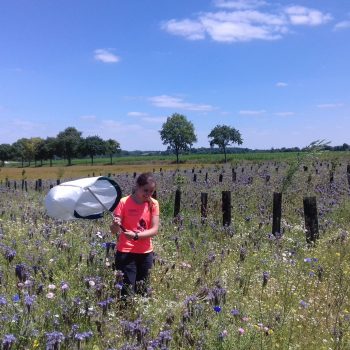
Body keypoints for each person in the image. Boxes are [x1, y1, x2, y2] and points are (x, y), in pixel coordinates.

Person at [110, 172, 159, 298]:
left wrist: (136, 235)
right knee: (126, 290)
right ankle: (125, 315)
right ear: (137, 186)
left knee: (143, 289)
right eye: (145, 190)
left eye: (151, 191)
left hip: (146, 253)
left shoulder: (154, 204)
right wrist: (115, 224)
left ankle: (139, 316)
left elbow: (154, 230)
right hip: (126, 252)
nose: (148, 194)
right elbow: (114, 231)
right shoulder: (123, 202)